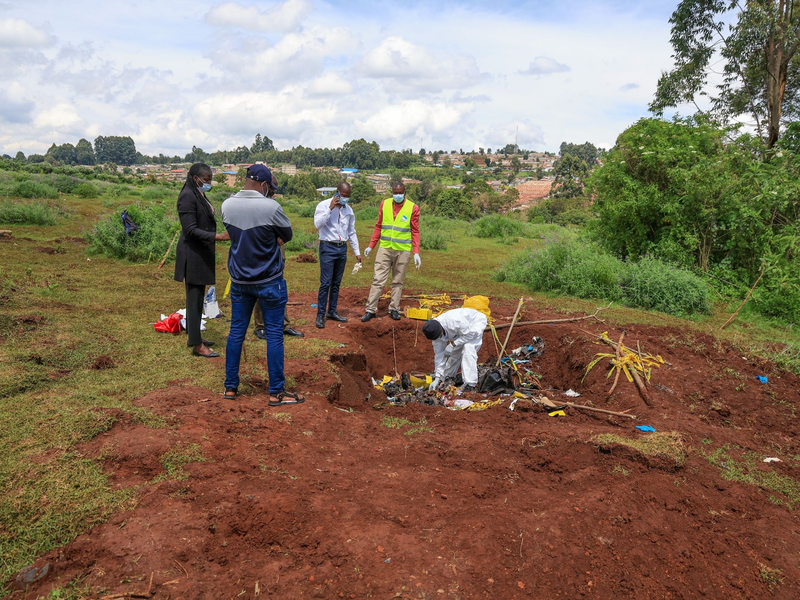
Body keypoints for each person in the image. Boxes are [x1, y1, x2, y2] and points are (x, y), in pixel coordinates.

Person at [221, 164, 304, 406]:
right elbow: (286, 235)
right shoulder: (271, 207)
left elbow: (234, 234)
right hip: (269, 281)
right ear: (265, 185)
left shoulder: (227, 205)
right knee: (275, 335)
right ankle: (276, 391)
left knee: (236, 333)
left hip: (239, 281)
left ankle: (230, 388)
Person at [174, 162, 229, 358]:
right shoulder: (187, 197)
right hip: (193, 254)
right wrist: (218, 237)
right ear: (195, 178)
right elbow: (190, 230)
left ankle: (195, 335)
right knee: (194, 299)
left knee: (197, 300)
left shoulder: (198, 193)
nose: (208, 183)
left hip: (200, 253)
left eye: (209, 180)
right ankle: (197, 345)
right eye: (206, 180)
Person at [361, 183, 421, 322]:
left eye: (400, 192)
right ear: (392, 192)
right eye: (395, 192)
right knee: (378, 279)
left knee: (398, 281)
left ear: (404, 193)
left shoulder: (413, 207)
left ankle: (394, 308)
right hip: (385, 248)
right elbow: (378, 225)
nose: (397, 195)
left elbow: (415, 230)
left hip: (403, 250)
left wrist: (416, 252)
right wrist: (371, 246)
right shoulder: (385, 204)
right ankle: (370, 309)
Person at [313, 181, 362, 328]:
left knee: (336, 283)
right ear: (337, 192)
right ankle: (320, 314)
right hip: (328, 247)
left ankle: (332, 311)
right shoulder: (323, 205)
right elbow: (318, 224)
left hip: (342, 249)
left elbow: (351, 232)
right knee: (326, 282)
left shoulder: (349, 210)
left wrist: (357, 252)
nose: (345, 198)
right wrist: (330, 209)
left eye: (348, 196)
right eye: (343, 195)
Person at [422, 307, 488, 392]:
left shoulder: (454, 321)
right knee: (453, 353)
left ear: (441, 328)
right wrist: (437, 377)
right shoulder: (436, 336)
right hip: (460, 332)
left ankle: (470, 384)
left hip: (474, 325)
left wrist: (453, 344)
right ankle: (447, 378)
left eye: (439, 335)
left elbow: (471, 334)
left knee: (468, 348)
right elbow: (439, 355)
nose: (440, 338)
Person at [253, 245, 304, 338]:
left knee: (279, 286)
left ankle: (284, 324)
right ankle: (260, 326)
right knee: (261, 285)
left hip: (277, 246)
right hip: (261, 245)